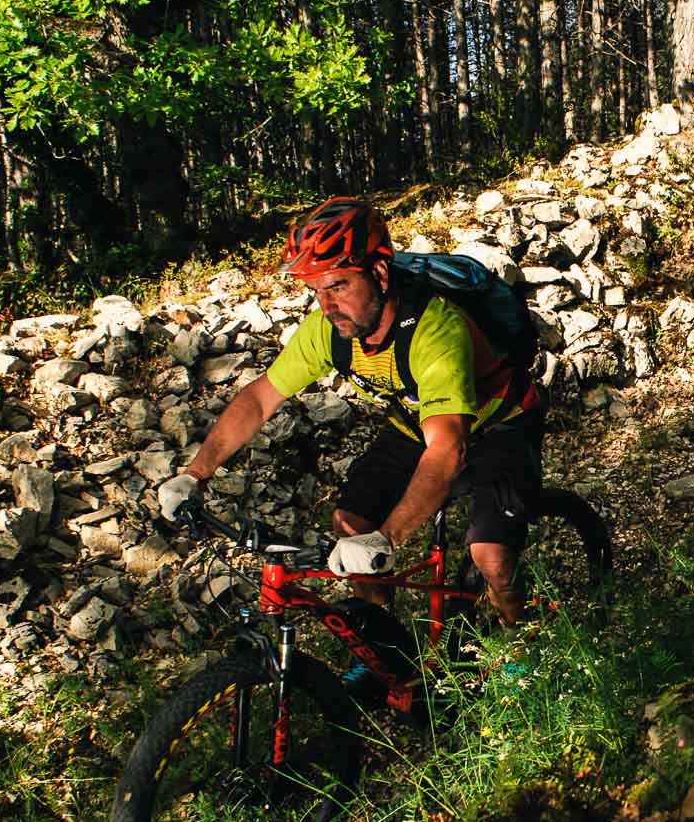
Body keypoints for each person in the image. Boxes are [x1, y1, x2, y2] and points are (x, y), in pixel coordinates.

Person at [156, 197, 545, 624]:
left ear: (378, 273)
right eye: (316, 290)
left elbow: (447, 450)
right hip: (419, 424)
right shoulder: (330, 329)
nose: (327, 305)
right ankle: (388, 651)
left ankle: (519, 643)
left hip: (501, 422)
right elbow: (259, 398)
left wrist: (389, 537)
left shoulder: (436, 330)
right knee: (349, 523)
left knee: (491, 557)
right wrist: (196, 474)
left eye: (338, 285)